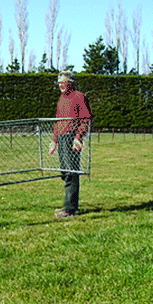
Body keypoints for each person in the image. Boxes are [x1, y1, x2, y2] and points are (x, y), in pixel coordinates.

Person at [49, 71, 93, 218]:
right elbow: (58, 120)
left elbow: (86, 119)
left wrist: (78, 137)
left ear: (71, 82)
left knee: (71, 172)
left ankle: (69, 209)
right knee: (65, 172)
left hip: (71, 138)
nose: (60, 85)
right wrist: (54, 140)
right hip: (61, 137)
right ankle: (69, 206)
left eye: (64, 82)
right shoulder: (61, 99)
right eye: (59, 83)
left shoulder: (80, 97)